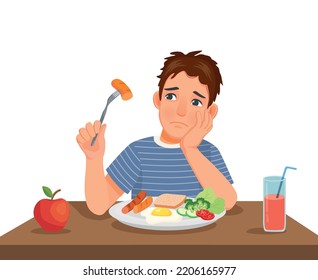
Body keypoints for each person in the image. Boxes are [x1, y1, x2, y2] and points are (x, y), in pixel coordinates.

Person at [76, 50, 237, 215]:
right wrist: (93, 159)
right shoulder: (138, 151)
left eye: (195, 102)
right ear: (158, 100)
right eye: (171, 97)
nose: (181, 111)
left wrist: (190, 149)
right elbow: (98, 205)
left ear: (210, 112)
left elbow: (228, 202)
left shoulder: (208, 152)